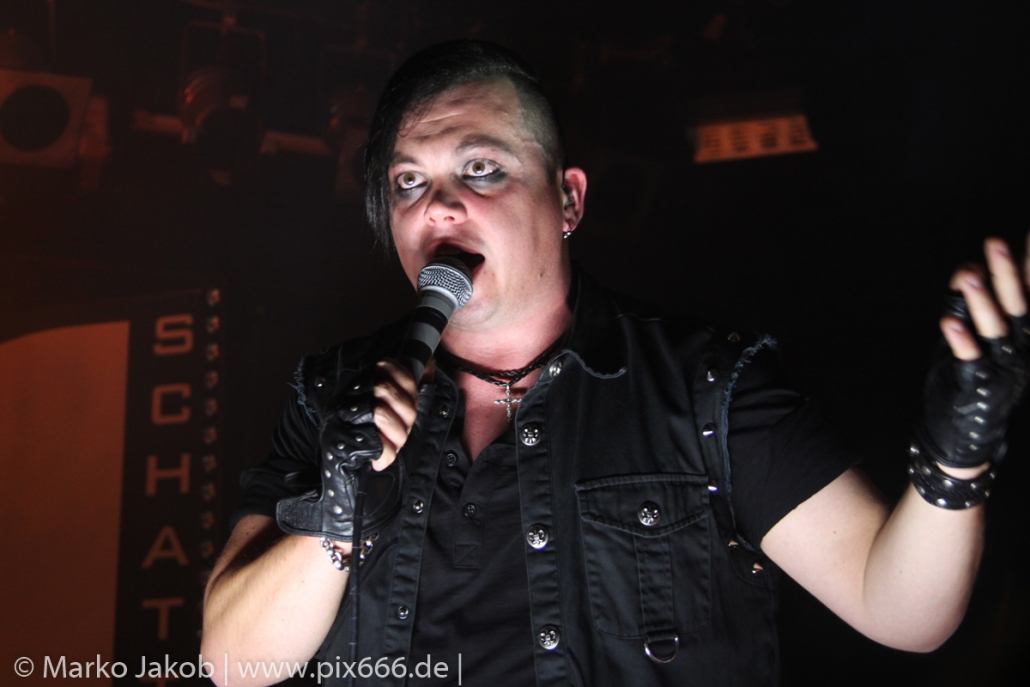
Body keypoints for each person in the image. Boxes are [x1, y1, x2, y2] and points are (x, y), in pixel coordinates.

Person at [200, 40, 1029, 686]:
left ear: (568, 199)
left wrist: (958, 451)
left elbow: (904, 612)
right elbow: (232, 663)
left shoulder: (705, 386)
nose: (439, 207)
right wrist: (339, 513)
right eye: (409, 182)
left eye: (481, 169)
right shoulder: (331, 395)